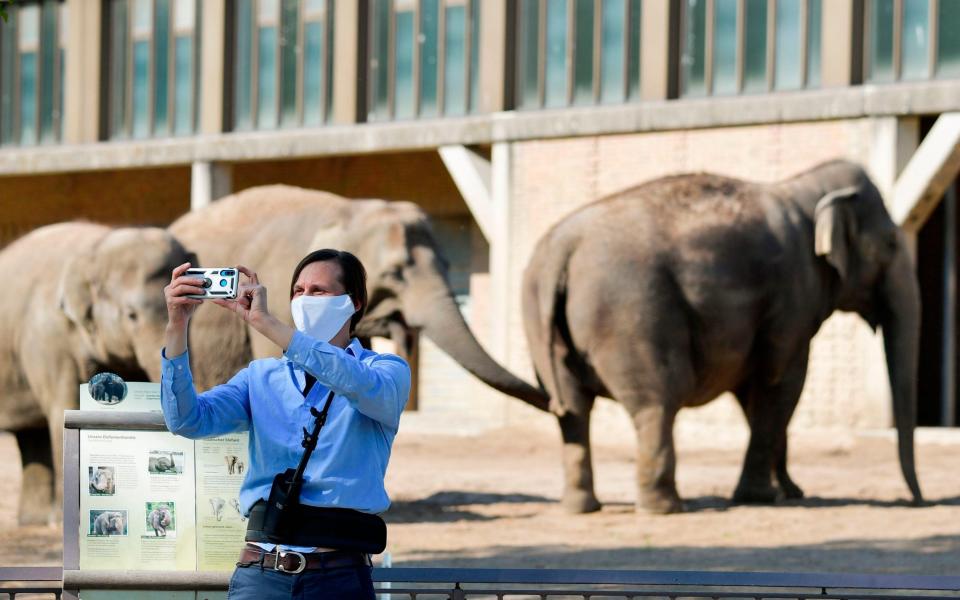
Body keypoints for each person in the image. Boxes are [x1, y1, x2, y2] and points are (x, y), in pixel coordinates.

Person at [161, 249, 410, 600]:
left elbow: (355, 382)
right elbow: (187, 420)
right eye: (298, 291)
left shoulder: (386, 370)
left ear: (354, 302)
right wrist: (177, 326)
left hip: (338, 575)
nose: (305, 299)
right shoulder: (260, 376)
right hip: (261, 573)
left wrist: (268, 325)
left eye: (318, 291)